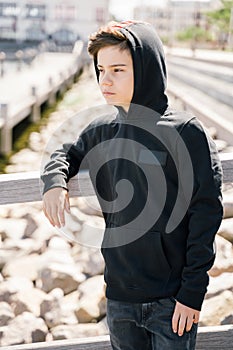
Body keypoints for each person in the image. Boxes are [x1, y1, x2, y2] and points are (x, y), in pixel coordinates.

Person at [41, 20, 223, 350]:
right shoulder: (102, 130)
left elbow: (206, 213)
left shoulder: (185, 131)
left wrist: (192, 293)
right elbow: (65, 151)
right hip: (120, 298)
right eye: (100, 70)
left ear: (146, 67)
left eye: (118, 70)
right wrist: (55, 182)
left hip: (172, 301)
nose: (104, 80)